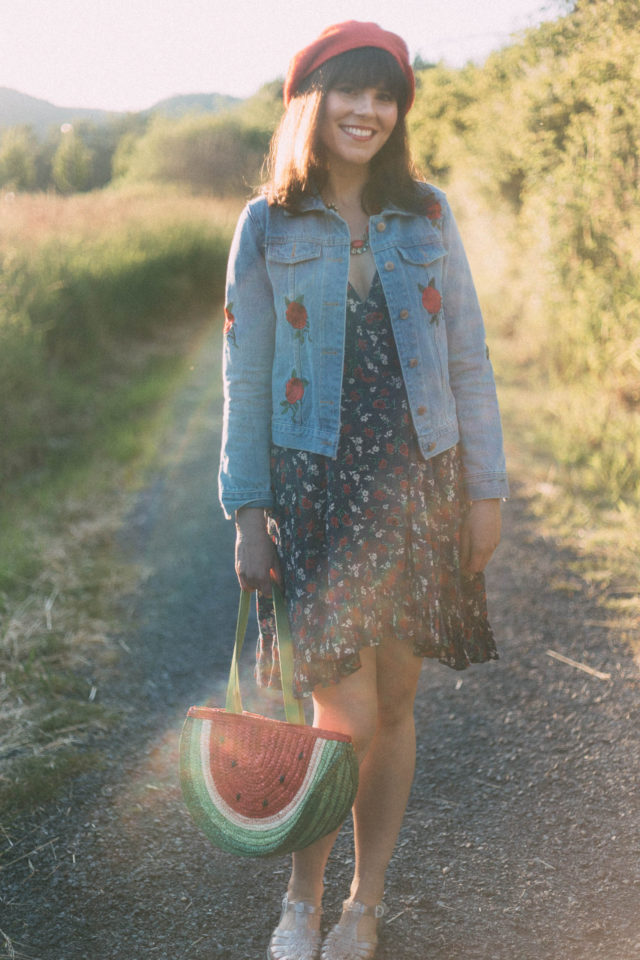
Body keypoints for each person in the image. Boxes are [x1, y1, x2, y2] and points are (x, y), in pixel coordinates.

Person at [218, 20, 508, 960]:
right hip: (312, 495)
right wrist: (247, 511)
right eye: (352, 91)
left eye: (386, 96)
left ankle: (364, 904)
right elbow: (243, 374)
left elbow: (468, 354)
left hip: (421, 487)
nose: (370, 111)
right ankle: (300, 905)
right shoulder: (266, 222)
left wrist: (486, 492)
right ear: (314, 99)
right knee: (334, 713)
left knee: (393, 706)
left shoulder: (426, 213)